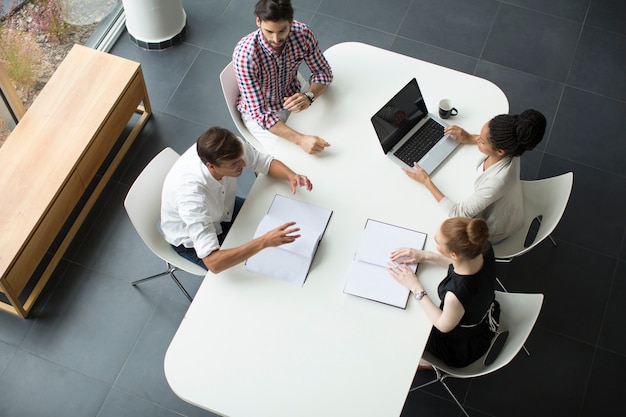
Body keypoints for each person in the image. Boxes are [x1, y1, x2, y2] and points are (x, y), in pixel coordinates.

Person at [160, 126, 313, 274]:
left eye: (241, 158)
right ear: (211, 166)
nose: (244, 164)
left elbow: (263, 162)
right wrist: (264, 242)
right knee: (254, 269)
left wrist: (291, 176)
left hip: (223, 209)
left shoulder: (229, 147)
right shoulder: (191, 198)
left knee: (274, 223)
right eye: (235, 164)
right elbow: (214, 262)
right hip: (190, 240)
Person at [403, 109, 546, 243]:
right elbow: (490, 142)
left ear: (501, 151)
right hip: (507, 202)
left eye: (482, 141)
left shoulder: (498, 181)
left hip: (494, 230)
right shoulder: (514, 146)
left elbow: (458, 213)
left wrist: (426, 181)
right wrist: (470, 137)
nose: (478, 140)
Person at [387, 217, 499, 369]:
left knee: (403, 328)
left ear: (454, 254)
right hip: (482, 310)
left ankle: (428, 365)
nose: (435, 242)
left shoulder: (456, 295)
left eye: (438, 242)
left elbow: (443, 325)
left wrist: (415, 287)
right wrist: (426, 255)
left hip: (459, 345)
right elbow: (460, 263)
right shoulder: (483, 248)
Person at [233, 0, 333, 154]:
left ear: (291, 22)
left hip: (294, 96)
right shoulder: (245, 56)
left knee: (331, 134)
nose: (276, 39)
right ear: (258, 21)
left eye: (282, 30)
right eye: (269, 31)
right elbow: (260, 114)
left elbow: (323, 73)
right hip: (262, 112)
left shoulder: (303, 35)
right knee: (293, 157)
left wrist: (309, 96)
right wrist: (300, 139)